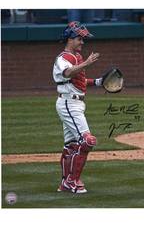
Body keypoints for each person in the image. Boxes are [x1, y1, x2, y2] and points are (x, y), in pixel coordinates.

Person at [53, 21, 102, 193]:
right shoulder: (64, 58)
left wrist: (97, 82)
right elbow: (67, 73)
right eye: (80, 39)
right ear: (70, 39)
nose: (82, 42)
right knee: (87, 141)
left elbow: (78, 81)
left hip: (75, 102)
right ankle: (72, 181)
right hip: (68, 103)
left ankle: (65, 183)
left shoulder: (75, 58)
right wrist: (87, 63)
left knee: (71, 145)